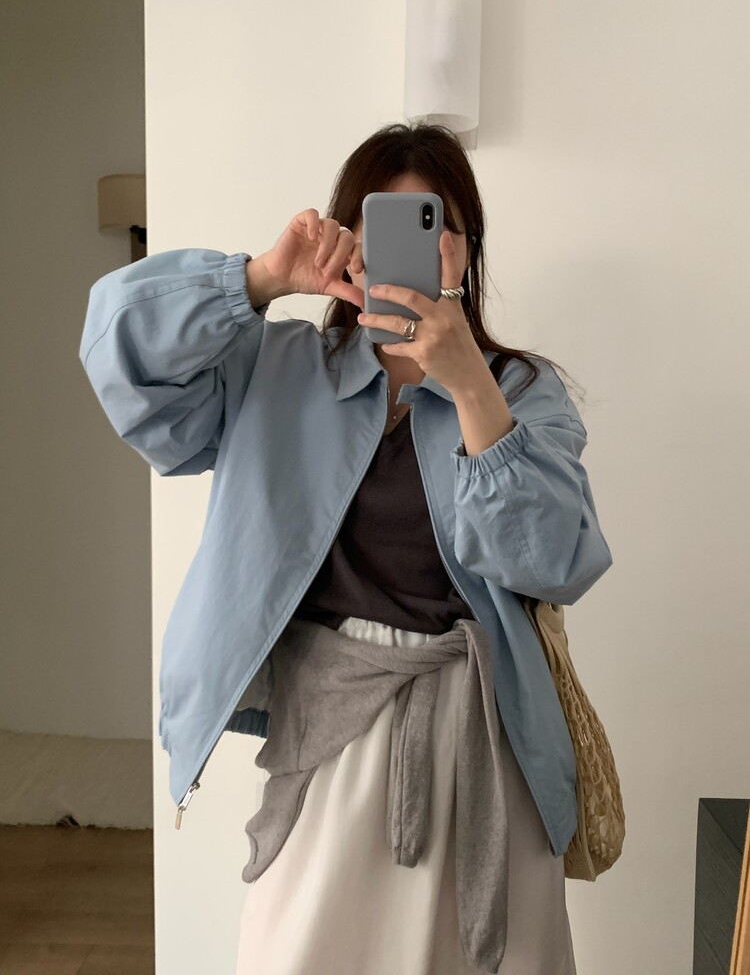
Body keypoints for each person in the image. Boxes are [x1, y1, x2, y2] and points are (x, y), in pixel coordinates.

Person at [79, 121, 613, 975]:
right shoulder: (279, 366)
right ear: (347, 243)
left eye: (434, 226)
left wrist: (468, 382)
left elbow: (556, 560)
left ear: (465, 249)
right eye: (379, 227)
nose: (408, 250)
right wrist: (260, 279)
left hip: (483, 744)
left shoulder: (519, 389)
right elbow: (121, 357)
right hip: (330, 739)